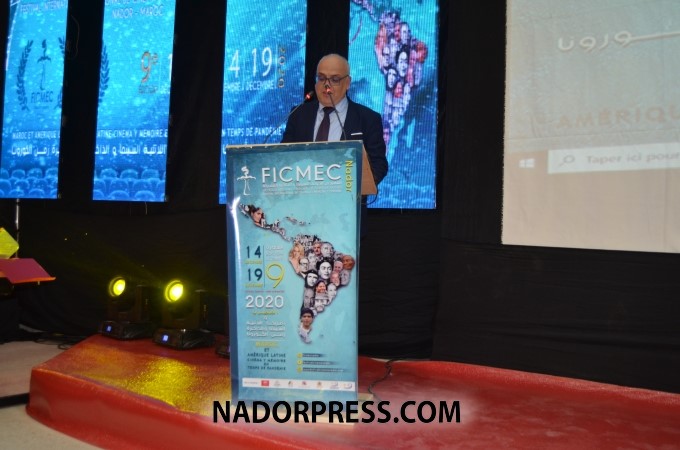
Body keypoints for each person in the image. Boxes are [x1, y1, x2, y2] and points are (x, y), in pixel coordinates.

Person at [281, 53, 389, 237]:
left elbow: (379, 165)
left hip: (346, 219)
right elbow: (283, 158)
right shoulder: (298, 115)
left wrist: (349, 187)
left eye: (335, 79)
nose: (327, 85)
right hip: (300, 217)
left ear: (347, 83)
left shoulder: (367, 119)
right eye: (321, 78)